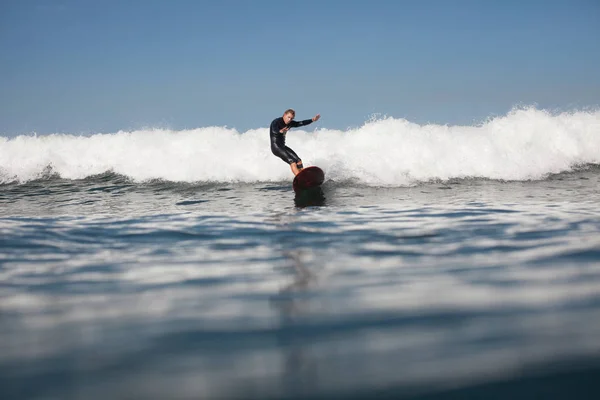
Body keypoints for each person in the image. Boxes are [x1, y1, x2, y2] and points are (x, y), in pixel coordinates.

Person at [270, 109, 321, 176]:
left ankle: (303, 176)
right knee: (292, 161)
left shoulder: (290, 123)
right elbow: (274, 130)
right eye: (288, 117)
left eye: (291, 118)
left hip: (283, 146)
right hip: (276, 147)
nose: (289, 120)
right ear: (284, 115)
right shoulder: (276, 122)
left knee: (298, 161)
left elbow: (300, 123)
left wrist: (312, 120)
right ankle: (299, 178)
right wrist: (280, 131)